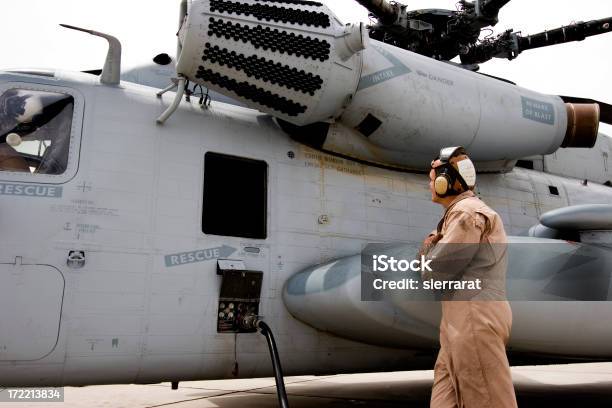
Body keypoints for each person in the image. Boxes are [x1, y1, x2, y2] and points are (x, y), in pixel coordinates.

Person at [420, 146, 517, 408]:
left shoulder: (466, 213)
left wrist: (428, 247)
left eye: (432, 181)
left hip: (474, 318)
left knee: (486, 399)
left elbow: (436, 272)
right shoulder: (457, 214)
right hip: (458, 321)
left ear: (445, 182)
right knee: (444, 401)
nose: (429, 186)